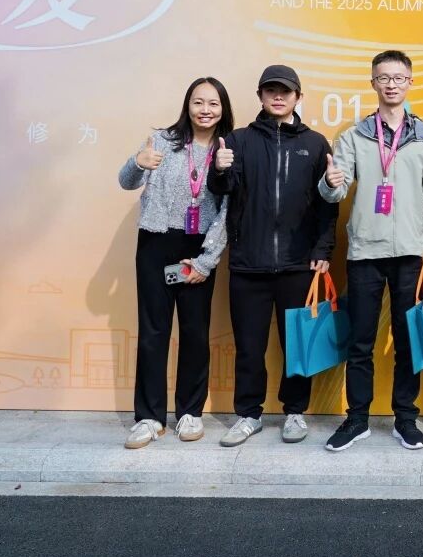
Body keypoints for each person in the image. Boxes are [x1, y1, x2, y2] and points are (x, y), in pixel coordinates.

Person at [320, 51, 423, 452]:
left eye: (398, 77)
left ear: (410, 82)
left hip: (412, 253)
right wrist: (329, 182)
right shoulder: (354, 136)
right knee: (360, 342)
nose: (391, 84)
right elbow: (336, 191)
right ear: (372, 83)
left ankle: (405, 418)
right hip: (365, 252)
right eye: (383, 78)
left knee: (408, 341)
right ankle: (357, 419)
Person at [208, 64, 337, 447]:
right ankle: (249, 415)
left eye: (285, 91)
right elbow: (222, 190)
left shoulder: (316, 143)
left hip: (299, 264)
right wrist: (219, 170)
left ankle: (295, 411)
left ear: (298, 97)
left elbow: (327, 205)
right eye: (270, 91)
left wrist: (323, 248)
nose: (278, 97)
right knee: (249, 348)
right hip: (248, 263)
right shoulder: (239, 140)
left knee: (298, 345)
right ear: (260, 96)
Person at [118, 77, 234, 448]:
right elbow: (126, 181)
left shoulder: (227, 150)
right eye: (198, 102)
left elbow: (229, 210)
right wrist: (137, 163)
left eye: (213, 103)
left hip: (197, 248)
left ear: (223, 109)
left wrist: (207, 260)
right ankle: (149, 418)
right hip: (156, 242)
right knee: (153, 332)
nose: (205, 110)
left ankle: (190, 412)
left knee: (195, 332)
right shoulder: (163, 141)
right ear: (187, 105)